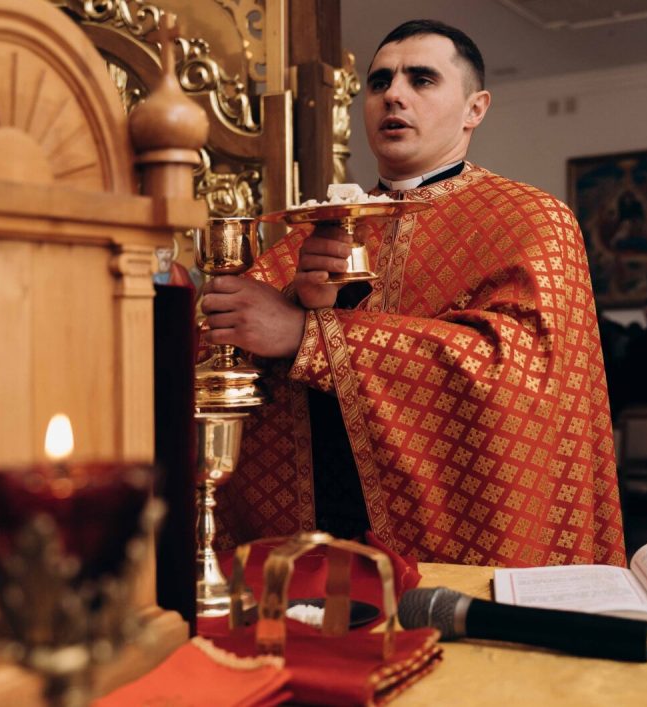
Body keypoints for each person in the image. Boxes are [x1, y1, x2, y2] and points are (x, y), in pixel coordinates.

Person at [200, 19, 625, 567]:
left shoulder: (534, 220)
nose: (393, 95)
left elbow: (511, 376)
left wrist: (311, 335)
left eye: (421, 79)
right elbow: (223, 351)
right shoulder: (314, 229)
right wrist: (298, 300)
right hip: (319, 532)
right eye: (379, 82)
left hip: (456, 548)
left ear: (475, 108)